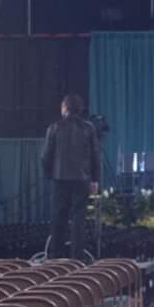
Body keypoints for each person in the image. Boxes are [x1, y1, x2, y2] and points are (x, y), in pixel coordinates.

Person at [40, 93, 102, 261]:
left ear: (64, 108)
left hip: (59, 179)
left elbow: (46, 156)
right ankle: (77, 258)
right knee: (78, 218)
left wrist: (49, 174)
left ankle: (54, 257)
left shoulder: (54, 127)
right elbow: (96, 156)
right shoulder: (89, 128)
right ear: (80, 110)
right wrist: (95, 180)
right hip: (82, 179)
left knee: (58, 218)